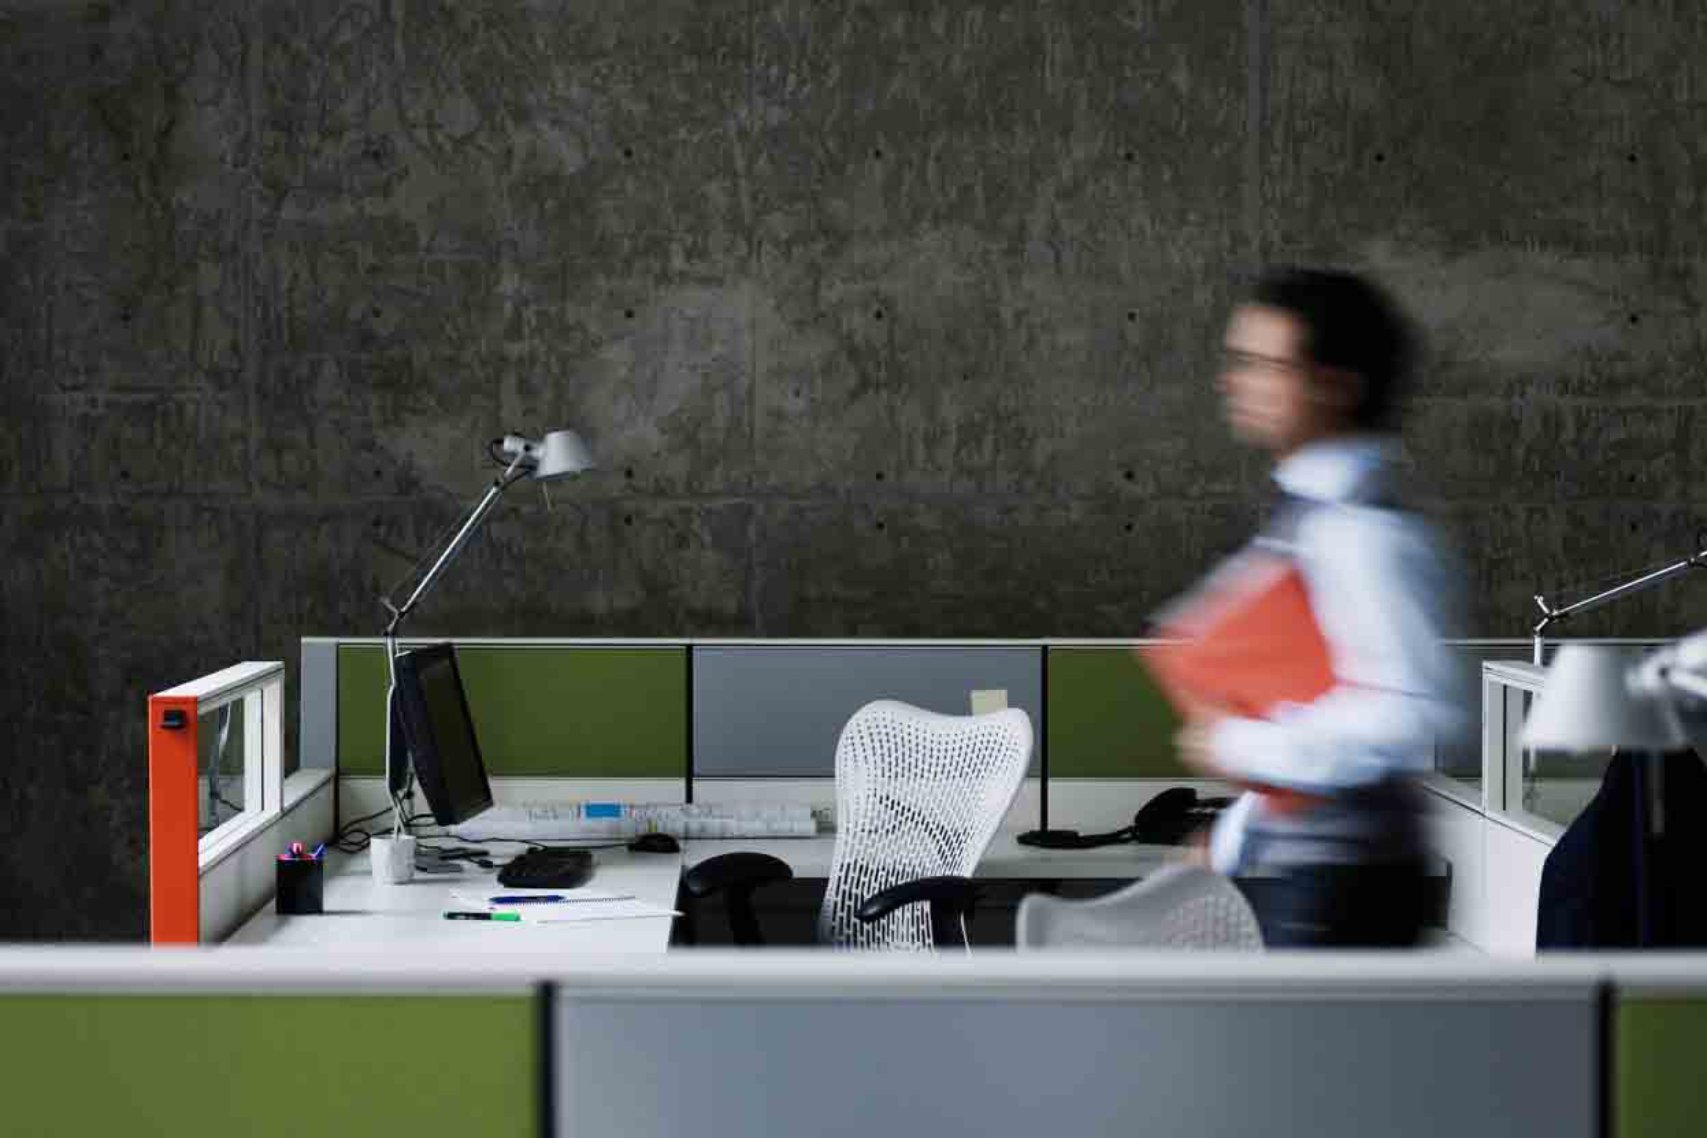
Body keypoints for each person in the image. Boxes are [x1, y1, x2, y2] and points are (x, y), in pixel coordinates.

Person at [1167, 267, 1469, 947]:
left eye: (1259, 364)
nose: (1231, 381)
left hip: (1341, 888)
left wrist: (1234, 741)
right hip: (1308, 871)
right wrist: (1236, 836)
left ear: (1334, 385)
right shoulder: (1312, 513)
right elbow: (1319, 698)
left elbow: (1415, 713)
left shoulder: (1364, 529)